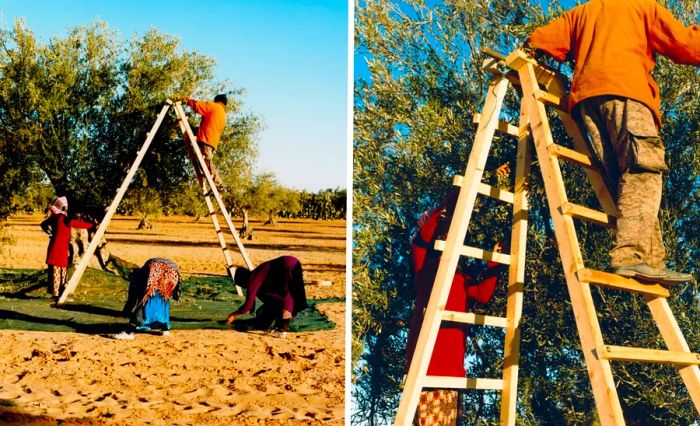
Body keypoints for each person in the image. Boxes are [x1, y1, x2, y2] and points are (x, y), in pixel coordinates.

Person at [525, 0, 699, 284]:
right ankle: (630, 256)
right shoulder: (642, 7)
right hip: (626, 91)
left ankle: (650, 260)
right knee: (643, 169)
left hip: (587, 104)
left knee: (624, 180)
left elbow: (540, 40)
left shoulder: (582, 12)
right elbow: (686, 45)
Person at [404, 190, 504, 426]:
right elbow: (431, 226)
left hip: (452, 368)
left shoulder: (463, 277)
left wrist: (495, 260)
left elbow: (484, 295)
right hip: (427, 364)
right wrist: (457, 195)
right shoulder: (425, 263)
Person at [225, 256, 308, 337]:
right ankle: (281, 325)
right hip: (293, 263)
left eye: (240, 284)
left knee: (287, 296)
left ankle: (281, 330)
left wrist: (233, 315)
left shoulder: (252, 279)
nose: (243, 287)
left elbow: (248, 305)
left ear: (243, 280)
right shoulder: (256, 275)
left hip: (288, 265)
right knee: (290, 295)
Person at [40, 197, 96, 303]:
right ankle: (58, 295)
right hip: (60, 249)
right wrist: (92, 225)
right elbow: (78, 224)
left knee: (57, 271)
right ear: (64, 208)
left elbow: (43, 225)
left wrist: (50, 233)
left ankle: (57, 294)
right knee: (61, 272)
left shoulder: (55, 218)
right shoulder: (64, 219)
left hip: (54, 248)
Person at [111, 258, 182, 340]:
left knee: (145, 300)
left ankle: (128, 332)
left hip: (157, 270)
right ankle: (165, 329)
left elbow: (132, 298)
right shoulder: (143, 270)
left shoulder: (136, 276)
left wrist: (126, 311)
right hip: (173, 273)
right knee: (163, 299)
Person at [184, 94, 228, 190]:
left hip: (206, 140)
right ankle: (212, 183)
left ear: (217, 100)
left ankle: (219, 185)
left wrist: (187, 100)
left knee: (206, 163)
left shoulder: (214, 106)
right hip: (211, 141)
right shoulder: (223, 114)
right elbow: (210, 126)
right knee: (203, 162)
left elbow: (199, 105)